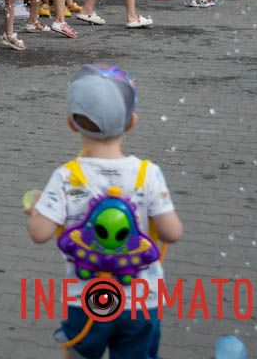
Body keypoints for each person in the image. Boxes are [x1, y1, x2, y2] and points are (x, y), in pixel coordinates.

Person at [25, 65, 183, 359]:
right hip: (141, 299)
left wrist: (37, 211)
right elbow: (173, 233)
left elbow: (39, 233)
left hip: (86, 301)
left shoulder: (66, 176)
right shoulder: (148, 175)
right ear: (132, 122)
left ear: (72, 124)